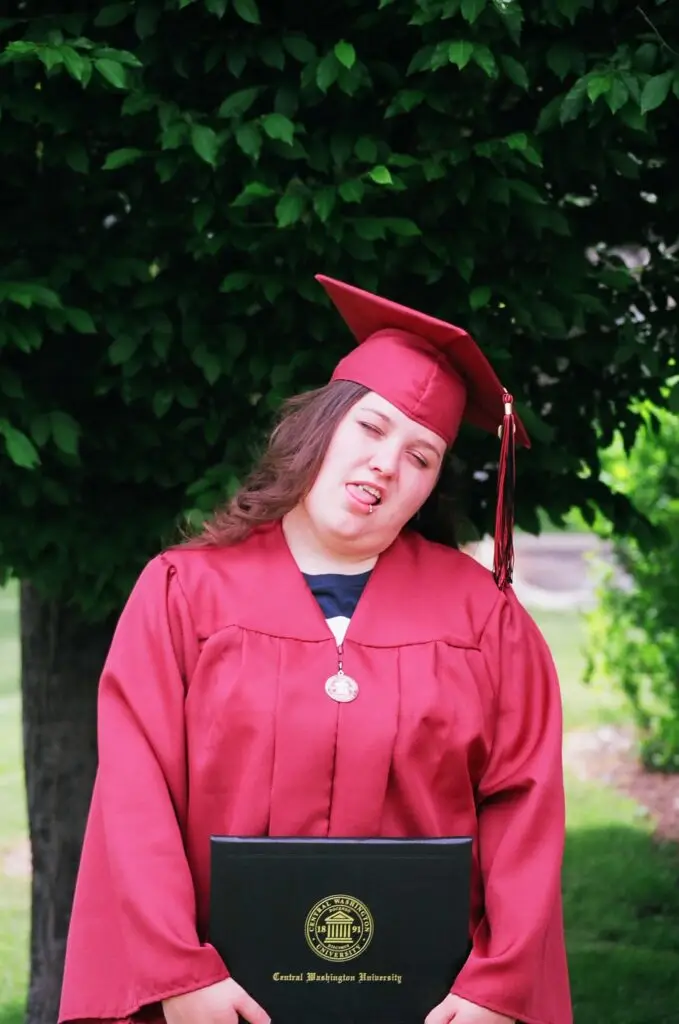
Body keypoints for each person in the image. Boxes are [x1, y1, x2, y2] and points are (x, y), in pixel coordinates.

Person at [58, 274, 573, 1024]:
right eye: (369, 428)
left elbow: (525, 810)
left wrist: (494, 989)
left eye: (421, 456)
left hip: (429, 1007)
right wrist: (179, 974)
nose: (385, 465)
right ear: (319, 425)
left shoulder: (481, 620)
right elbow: (136, 800)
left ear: (430, 487)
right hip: (216, 1001)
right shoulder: (183, 593)